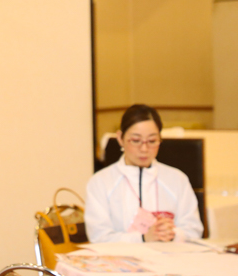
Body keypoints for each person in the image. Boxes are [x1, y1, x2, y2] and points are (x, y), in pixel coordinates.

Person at [85, 104, 203, 243]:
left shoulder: (177, 179)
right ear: (120, 138)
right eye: (136, 141)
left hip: (170, 255)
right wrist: (142, 238)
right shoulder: (100, 182)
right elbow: (99, 237)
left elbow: (194, 231)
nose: (144, 149)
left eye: (152, 141)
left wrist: (171, 234)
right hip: (119, 256)